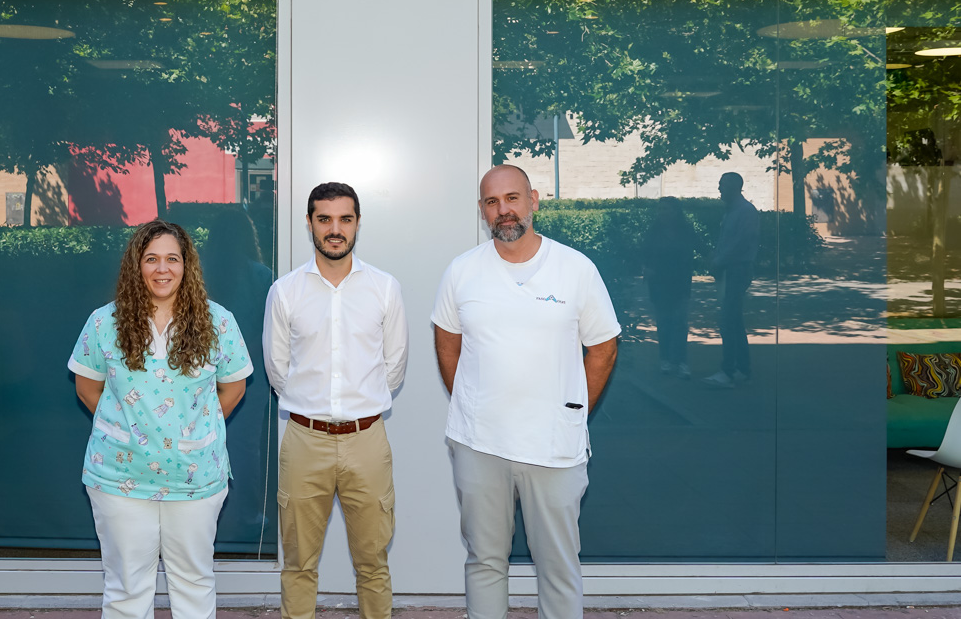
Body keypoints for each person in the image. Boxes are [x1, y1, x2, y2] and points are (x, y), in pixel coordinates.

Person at [433, 164, 619, 619]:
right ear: (482, 211)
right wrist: (478, 407)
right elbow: (447, 346)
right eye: (493, 202)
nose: (504, 210)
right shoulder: (462, 272)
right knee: (484, 561)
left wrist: (572, 412)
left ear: (533, 200)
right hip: (480, 445)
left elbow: (604, 348)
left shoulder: (575, 269)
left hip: (553, 448)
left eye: (513, 198)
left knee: (557, 566)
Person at [68, 219, 253, 619]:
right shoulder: (105, 322)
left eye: (172, 258)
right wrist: (132, 429)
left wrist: (191, 430)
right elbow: (86, 388)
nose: (162, 269)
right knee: (126, 589)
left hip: (195, 478)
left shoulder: (218, 322)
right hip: (120, 478)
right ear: (136, 265)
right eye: (151, 259)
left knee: (194, 583)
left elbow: (233, 389)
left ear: (187, 266)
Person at [263, 181, 409, 619]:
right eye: (324, 219)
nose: (335, 229)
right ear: (309, 223)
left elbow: (394, 365)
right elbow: (277, 369)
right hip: (304, 440)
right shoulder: (286, 291)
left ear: (358, 223)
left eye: (345, 219)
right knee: (299, 564)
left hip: (367, 440)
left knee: (373, 562)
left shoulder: (385, 289)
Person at [703, 171, 760, 389]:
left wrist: (718, 261)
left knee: (728, 320)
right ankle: (740, 369)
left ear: (735, 187)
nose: (719, 188)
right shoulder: (735, 211)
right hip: (732, 269)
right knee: (733, 320)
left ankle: (730, 370)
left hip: (736, 269)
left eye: (722, 185)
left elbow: (739, 243)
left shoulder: (744, 212)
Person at [642, 196, 696, 379]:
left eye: (666, 209)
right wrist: (645, 267)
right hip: (659, 283)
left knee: (680, 323)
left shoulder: (687, 231)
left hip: (680, 282)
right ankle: (665, 359)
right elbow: (643, 252)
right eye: (660, 209)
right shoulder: (653, 231)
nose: (662, 213)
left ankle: (681, 362)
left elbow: (700, 248)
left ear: (676, 212)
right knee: (664, 323)